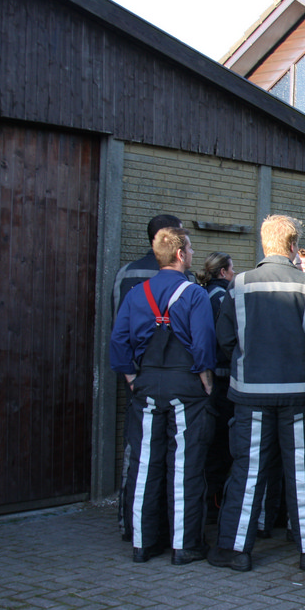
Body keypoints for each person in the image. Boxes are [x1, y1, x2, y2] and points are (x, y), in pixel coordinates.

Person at [208, 215, 305, 573]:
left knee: (248, 470)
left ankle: (235, 550)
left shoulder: (239, 285)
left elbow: (225, 340)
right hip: (301, 395)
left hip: (251, 394)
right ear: (293, 246)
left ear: (265, 244)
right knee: (303, 471)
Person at [110, 227, 216, 565]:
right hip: (185, 386)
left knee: (144, 464)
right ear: (181, 254)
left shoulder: (136, 293)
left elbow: (119, 341)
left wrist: (131, 378)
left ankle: (143, 543)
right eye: (191, 248)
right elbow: (203, 343)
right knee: (185, 465)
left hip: (145, 385)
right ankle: (184, 546)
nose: (193, 253)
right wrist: (206, 381)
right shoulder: (195, 294)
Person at [112, 213, 193, 542]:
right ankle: (174, 533)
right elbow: (199, 336)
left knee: (140, 455)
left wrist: (130, 374)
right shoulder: (188, 283)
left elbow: (119, 330)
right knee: (178, 458)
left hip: (141, 378)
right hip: (180, 380)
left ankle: (133, 527)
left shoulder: (127, 275)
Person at [197, 252, 236, 518]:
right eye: (232, 270)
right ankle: (215, 505)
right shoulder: (222, 297)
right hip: (221, 381)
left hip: (207, 380)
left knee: (211, 444)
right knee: (221, 446)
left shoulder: (203, 293)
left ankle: (211, 503)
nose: (234, 274)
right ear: (223, 272)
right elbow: (229, 338)